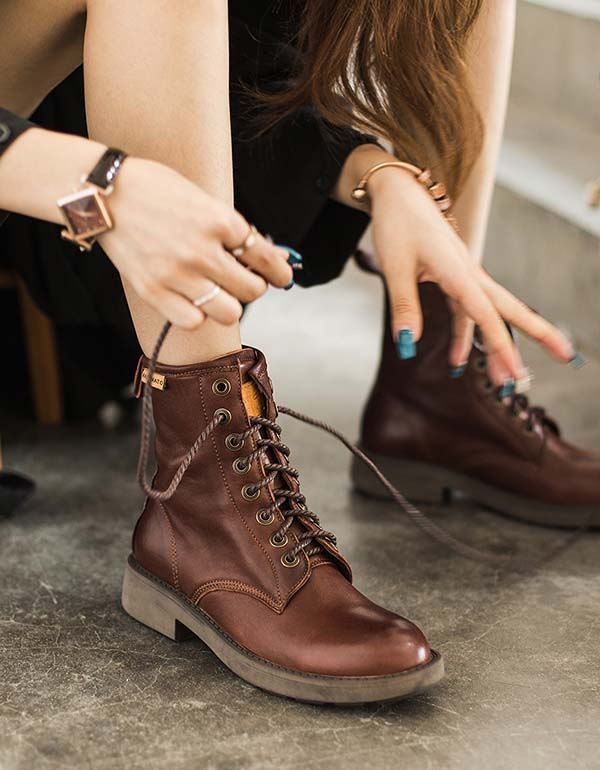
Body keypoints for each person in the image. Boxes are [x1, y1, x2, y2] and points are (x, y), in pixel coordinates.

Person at [1, 0, 594, 704]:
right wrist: (98, 185)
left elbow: (221, 79)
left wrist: (378, 175)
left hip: (140, 256)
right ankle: (205, 502)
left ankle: (443, 367)